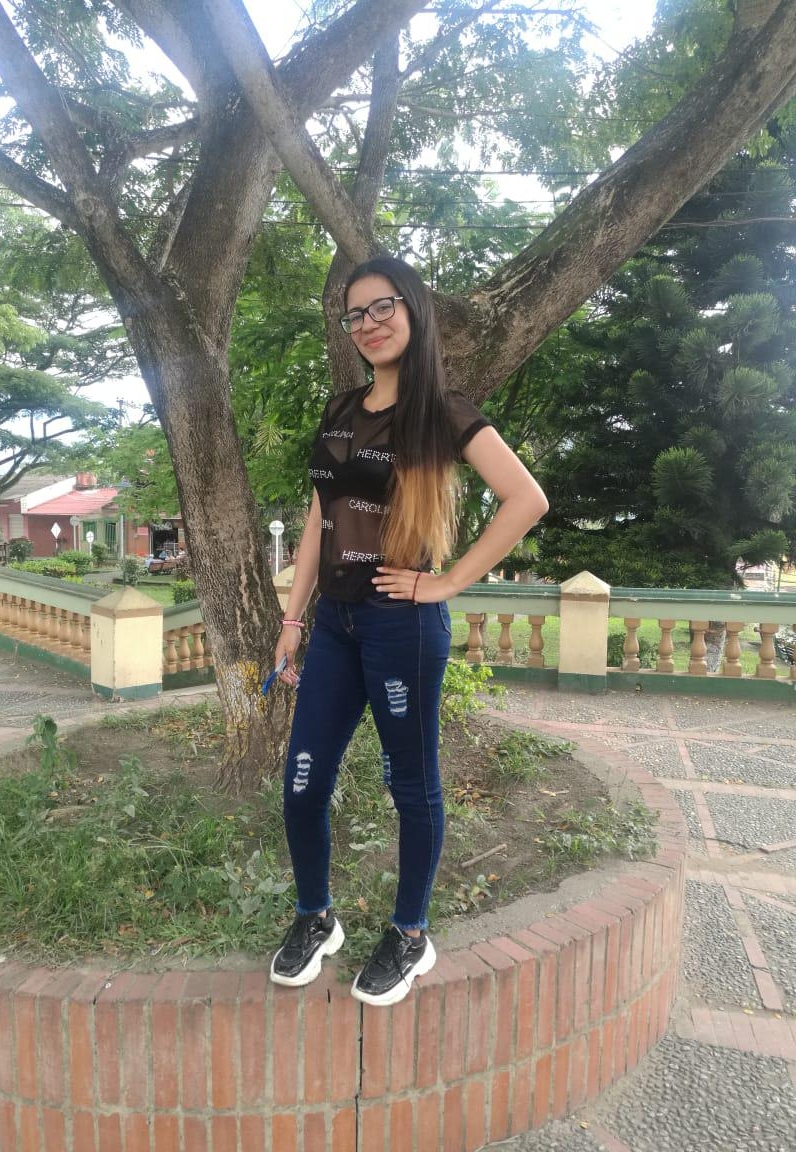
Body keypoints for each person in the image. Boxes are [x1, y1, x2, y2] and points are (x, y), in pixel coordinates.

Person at [268, 256, 548, 1006]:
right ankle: (315, 916)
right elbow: (319, 519)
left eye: (382, 306)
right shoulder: (339, 410)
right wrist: (292, 618)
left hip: (402, 627)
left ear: (413, 310)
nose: (369, 323)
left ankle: (411, 933)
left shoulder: (442, 413)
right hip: (334, 625)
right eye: (355, 314)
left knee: (411, 785)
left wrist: (448, 582)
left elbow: (526, 499)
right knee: (303, 781)